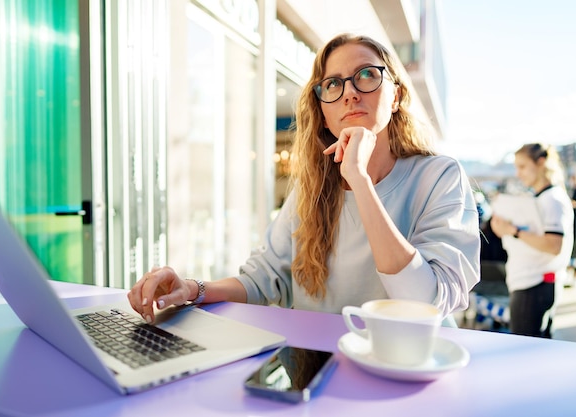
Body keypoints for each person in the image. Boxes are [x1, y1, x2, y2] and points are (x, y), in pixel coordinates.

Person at [127, 33, 480, 325]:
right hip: (313, 367)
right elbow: (263, 279)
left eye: (367, 75)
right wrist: (192, 289)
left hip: (403, 374)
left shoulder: (439, 177)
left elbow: (426, 303)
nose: (350, 93)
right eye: (333, 85)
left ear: (396, 95)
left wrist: (359, 180)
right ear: (324, 114)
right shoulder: (312, 187)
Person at [491, 143, 574, 337]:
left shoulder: (552, 199)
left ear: (541, 163)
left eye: (522, 166)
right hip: (530, 284)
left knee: (524, 352)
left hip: (534, 286)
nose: (518, 173)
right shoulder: (542, 198)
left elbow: (554, 245)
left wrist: (513, 231)